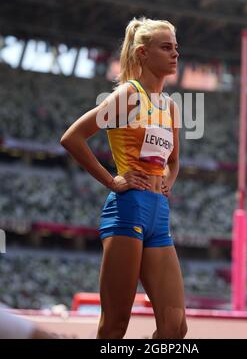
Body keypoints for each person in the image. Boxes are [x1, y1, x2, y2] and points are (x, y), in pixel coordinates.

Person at [60, 17, 187, 339]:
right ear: (143, 53)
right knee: (115, 324)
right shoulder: (129, 96)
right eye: (166, 47)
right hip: (128, 210)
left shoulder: (170, 107)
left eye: (176, 48)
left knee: (175, 327)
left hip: (159, 215)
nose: (175, 55)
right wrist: (112, 180)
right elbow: (73, 138)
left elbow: (173, 162)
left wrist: (167, 182)